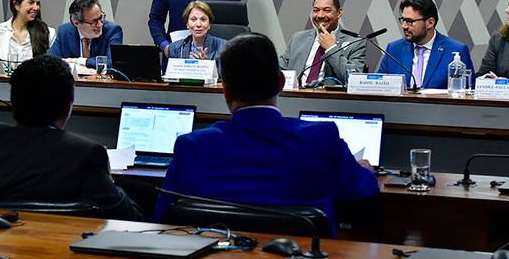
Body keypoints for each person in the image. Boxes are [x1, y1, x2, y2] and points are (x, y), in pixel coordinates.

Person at [153, 33, 379, 235]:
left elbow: (163, 219)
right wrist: (365, 170)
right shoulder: (321, 138)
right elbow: (361, 190)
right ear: (281, 83)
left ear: (226, 91)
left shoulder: (192, 147)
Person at [0, 55, 142, 221]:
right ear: (68, 105)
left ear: (14, 100)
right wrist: (109, 180)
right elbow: (129, 217)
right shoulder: (86, 153)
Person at [378, 0, 475, 90]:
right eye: (403, 20)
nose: (404, 26)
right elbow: (379, 87)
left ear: (430, 23)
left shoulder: (456, 50)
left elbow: (468, 92)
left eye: (410, 21)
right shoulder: (394, 49)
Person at [279, 0, 365, 87]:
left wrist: (331, 48)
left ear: (339, 13)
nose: (320, 15)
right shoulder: (298, 39)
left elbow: (354, 81)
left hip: (329, 100)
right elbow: (278, 71)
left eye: (327, 10)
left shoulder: (355, 42)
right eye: (316, 10)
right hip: (296, 97)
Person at [48, 0, 122, 69]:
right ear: (76, 23)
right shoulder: (64, 31)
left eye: (101, 18)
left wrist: (78, 61)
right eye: (94, 22)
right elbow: (50, 61)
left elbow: (112, 63)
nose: (100, 24)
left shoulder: (113, 31)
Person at [166, 1, 226, 74]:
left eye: (203, 19)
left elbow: (228, 76)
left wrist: (206, 66)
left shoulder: (224, 48)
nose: (198, 24)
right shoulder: (175, 48)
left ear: (209, 24)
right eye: (193, 19)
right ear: (187, 24)